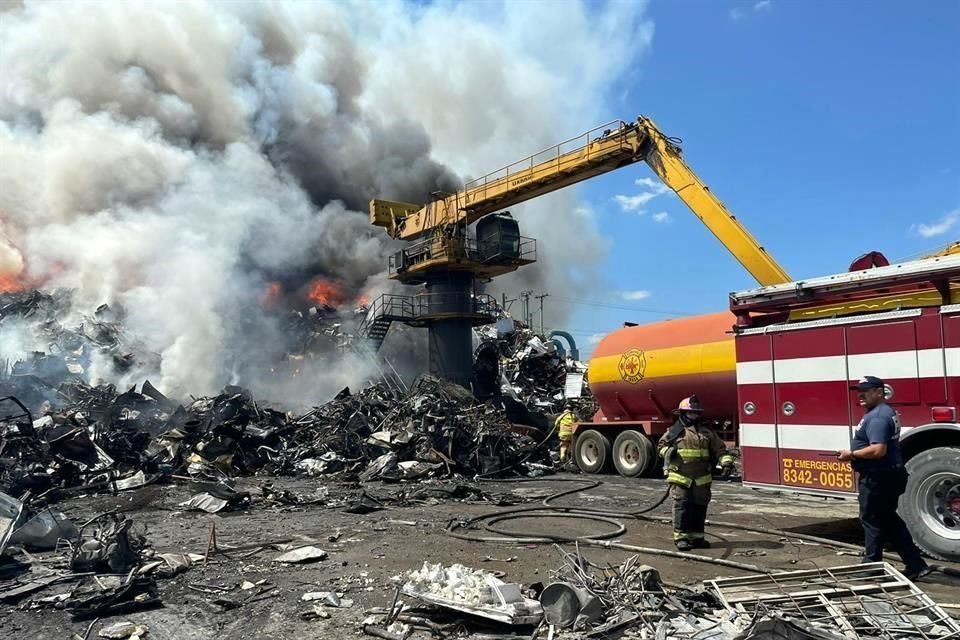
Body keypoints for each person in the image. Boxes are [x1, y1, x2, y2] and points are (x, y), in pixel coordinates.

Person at [838, 376, 931, 580]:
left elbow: (878, 450)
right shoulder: (882, 412)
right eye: (859, 391)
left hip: (878, 477)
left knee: (871, 520)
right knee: (888, 520)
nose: (860, 394)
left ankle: (872, 566)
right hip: (889, 474)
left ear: (879, 392)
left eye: (866, 390)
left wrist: (851, 454)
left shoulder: (879, 416)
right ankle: (916, 564)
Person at [657, 396, 735, 550]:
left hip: (702, 479)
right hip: (680, 476)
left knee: (699, 508)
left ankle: (697, 538)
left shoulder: (707, 432)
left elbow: (720, 450)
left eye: (697, 413)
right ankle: (681, 538)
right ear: (683, 413)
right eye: (691, 413)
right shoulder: (674, 431)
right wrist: (668, 451)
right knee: (682, 507)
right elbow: (660, 447)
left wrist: (726, 463)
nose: (695, 416)